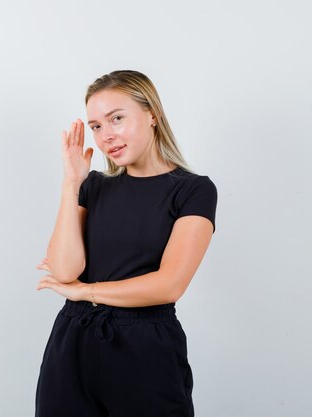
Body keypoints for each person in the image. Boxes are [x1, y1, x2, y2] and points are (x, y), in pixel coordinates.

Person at [34, 70, 217, 417]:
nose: (106, 136)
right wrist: (72, 182)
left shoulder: (193, 190)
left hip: (145, 348)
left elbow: (169, 285)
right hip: (73, 343)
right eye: (96, 127)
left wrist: (85, 292)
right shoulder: (94, 186)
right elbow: (64, 269)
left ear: (152, 115)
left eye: (116, 118)